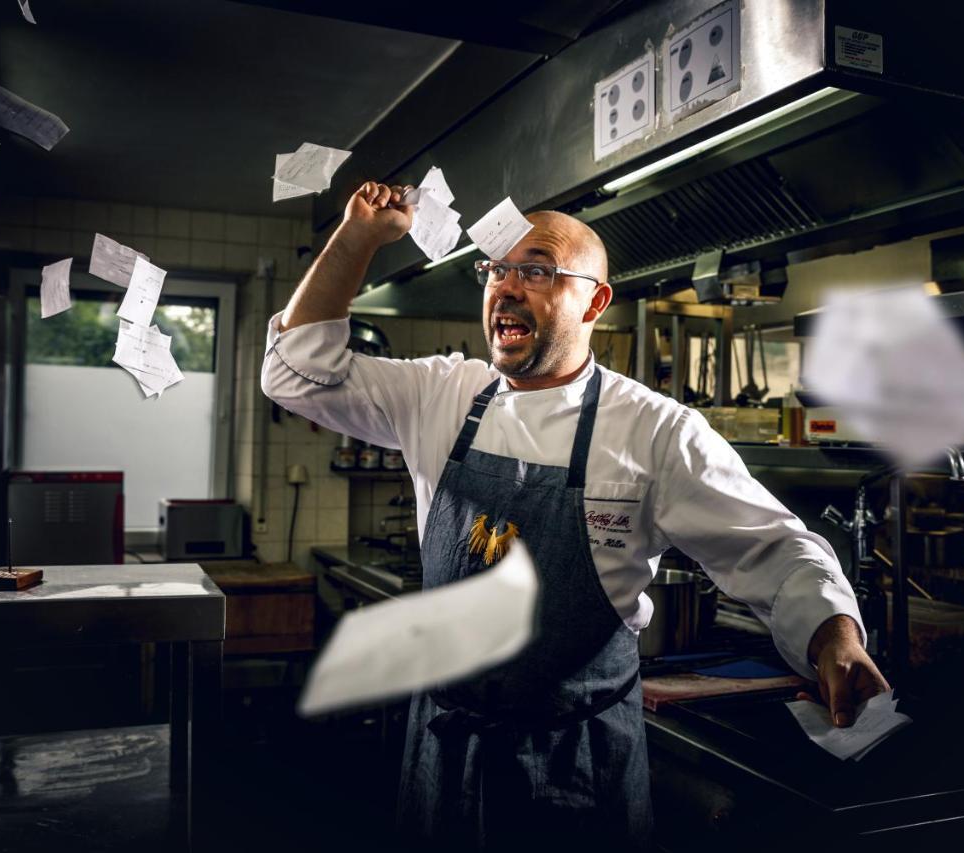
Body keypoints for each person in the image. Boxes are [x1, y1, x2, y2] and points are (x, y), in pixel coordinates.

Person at [262, 181, 890, 850]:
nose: (505, 287)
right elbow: (295, 374)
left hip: (579, 764)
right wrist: (357, 236)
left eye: (534, 270)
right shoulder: (440, 393)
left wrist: (835, 638)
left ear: (593, 300)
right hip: (444, 750)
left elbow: (774, 550)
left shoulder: (656, 430)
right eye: (496, 270)